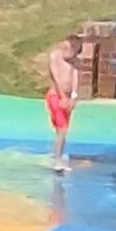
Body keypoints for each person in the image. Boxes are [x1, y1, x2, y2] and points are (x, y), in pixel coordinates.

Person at [44, 37, 78, 174]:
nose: (67, 52)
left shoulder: (74, 61)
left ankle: (59, 155)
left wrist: (74, 96)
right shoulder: (55, 57)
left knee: (62, 130)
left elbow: (75, 78)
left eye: (71, 50)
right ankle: (57, 159)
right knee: (62, 129)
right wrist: (62, 96)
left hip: (68, 98)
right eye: (65, 48)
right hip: (55, 96)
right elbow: (56, 77)